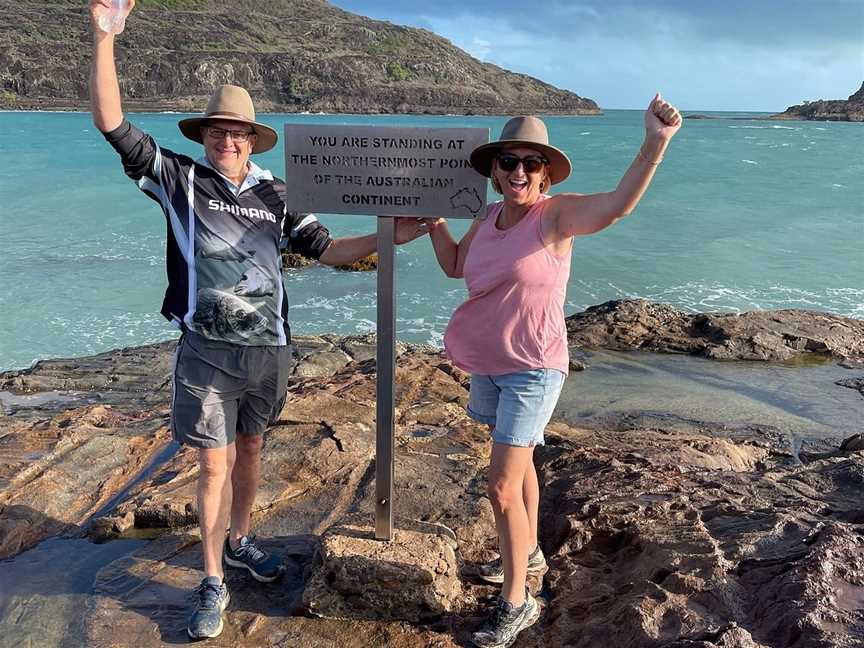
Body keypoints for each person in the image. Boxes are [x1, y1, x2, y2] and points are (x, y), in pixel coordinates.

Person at [87, 0, 427, 639]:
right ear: (205, 136)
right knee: (212, 465)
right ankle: (212, 580)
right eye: (217, 131)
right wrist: (105, 37)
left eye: (237, 132)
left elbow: (328, 250)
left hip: (269, 352)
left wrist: (392, 236)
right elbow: (112, 122)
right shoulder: (179, 180)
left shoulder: (277, 195)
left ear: (252, 138)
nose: (227, 139)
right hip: (207, 352)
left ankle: (240, 540)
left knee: (250, 451)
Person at [425, 97, 682, 647]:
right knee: (520, 472)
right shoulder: (487, 218)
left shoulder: (556, 215)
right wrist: (434, 221)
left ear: (545, 173)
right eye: (508, 162)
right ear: (494, 170)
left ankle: (517, 602)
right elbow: (453, 267)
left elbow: (617, 206)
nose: (518, 172)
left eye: (530, 163)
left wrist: (654, 145)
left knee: (499, 486)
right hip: (489, 363)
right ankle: (530, 554)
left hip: (535, 368)